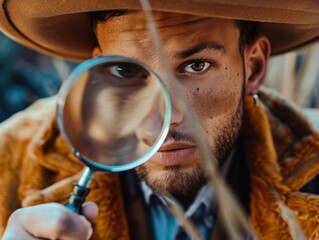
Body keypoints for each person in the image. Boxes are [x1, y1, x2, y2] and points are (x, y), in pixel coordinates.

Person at [1, 1, 319, 239]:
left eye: (196, 66)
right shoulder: (8, 163)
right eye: (127, 71)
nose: (164, 120)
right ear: (98, 70)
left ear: (254, 66)